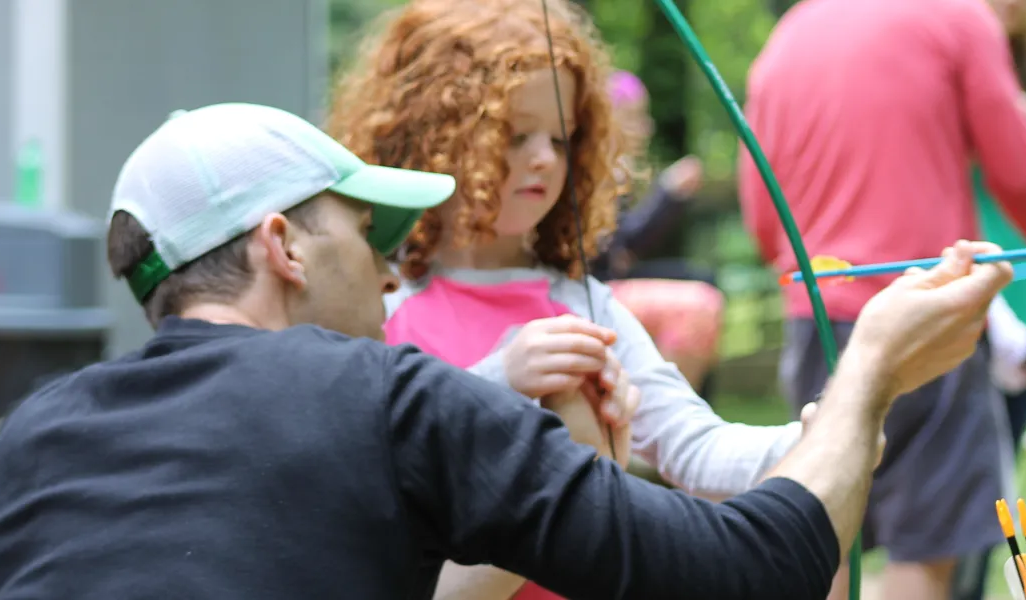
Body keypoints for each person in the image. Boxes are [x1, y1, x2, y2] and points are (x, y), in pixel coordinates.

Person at [0, 101, 1016, 599]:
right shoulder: (383, 400)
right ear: (281, 244)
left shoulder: (32, 445)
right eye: (364, 233)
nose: (389, 272)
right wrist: (872, 370)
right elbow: (757, 569)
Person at [322, 2, 823, 597]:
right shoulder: (380, 299)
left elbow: (695, 450)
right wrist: (500, 381)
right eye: (514, 133)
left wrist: (814, 437)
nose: (543, 158)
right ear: (433, 133)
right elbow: (372, 475)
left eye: (561, 139)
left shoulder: (584, 305)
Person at [737, 0, 1026, 598]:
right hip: (929, 319)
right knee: (929, 552)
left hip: (817, 322)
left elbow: (763, 217)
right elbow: (1019, 170)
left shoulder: (787, 38)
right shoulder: (960, 17)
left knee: (824, 539)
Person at [953, 0, 1026, 596]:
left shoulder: (1025, 80)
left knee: (1001, 478)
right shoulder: (951, 53)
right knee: (972, 480)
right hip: (975, 293)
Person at [592, 69, 725, 397]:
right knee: (701, 298)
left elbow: (626, 247)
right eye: (635, 118)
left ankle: (695, 406)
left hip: (611, 277)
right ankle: (672, 408)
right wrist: (666, 194)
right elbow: (625, 247)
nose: (646, 127)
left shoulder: (614, 171)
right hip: (596, 285)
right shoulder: (596, 172)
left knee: (703, 277)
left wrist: (671, 197)